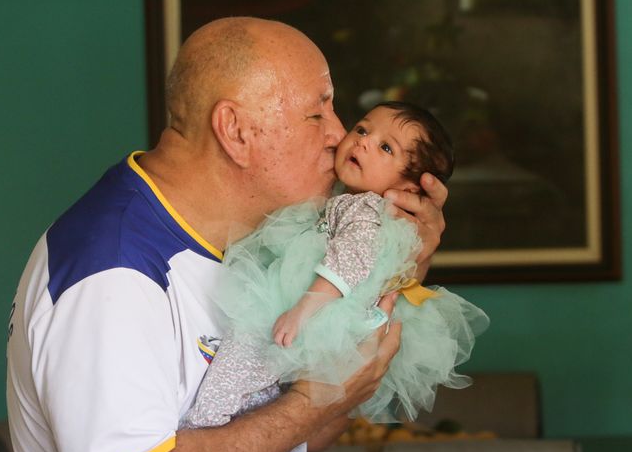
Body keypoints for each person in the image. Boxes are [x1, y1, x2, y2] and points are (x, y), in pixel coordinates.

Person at [6, 17, 449, 452]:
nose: (339, 134)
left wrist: (398, 265)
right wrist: (309, 404)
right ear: (235, 131)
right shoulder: (112, 273)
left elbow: (314, 432)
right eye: (318, 113)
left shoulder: (257, 245)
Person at [182, 101, 488, 433]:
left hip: (317, 306)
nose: (364, 141)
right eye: (362, 129)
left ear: (410, 188)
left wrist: (305, 307)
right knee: (259, 369)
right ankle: (222, 413)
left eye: (386, 147)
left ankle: (206, 417)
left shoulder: (367, 210)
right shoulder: (345, 201)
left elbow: (350, 259)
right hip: (317, 305)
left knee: (249, 349)